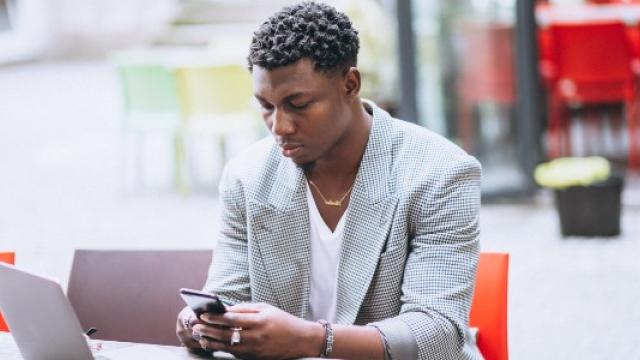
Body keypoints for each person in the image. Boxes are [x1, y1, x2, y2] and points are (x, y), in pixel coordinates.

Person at [176, 2, 482, 359]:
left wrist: (312, 340)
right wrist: (203, 326)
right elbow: (229, 296)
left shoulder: (439, 173)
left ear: (350, 84)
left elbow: (438, 332)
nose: (280, 126)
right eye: (266, 105)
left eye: (298, 104)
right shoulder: (247, 177)